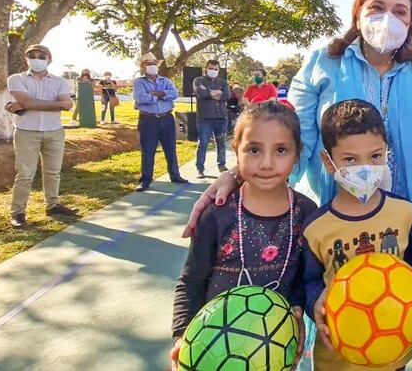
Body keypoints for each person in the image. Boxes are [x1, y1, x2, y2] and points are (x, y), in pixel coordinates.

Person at [182, 0, 412, 326]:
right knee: (333, 321)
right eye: (377, 7)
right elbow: (295, 141)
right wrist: (238, 175)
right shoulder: (323, 62)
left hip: (400, 230)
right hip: (332, 223)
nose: (388, 18)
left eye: (400, 11)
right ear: (358, 11)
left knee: (389, 325)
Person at [169, 100, 315, 370]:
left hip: (273, 350)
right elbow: (191, 281)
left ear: (297, 154)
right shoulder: (217, 214)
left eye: (281, 150)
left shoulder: (306, 212)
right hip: (213, 351)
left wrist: (296, 309)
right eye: (254, 150)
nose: (267, 163)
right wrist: (181, 335)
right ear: (236, 151)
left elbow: (305, 278)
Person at [304, 100, 412, 371]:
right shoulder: (315, 228)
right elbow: (308, 282)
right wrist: (315, 303)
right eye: (350, 160)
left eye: (375, 156)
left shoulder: (404, 212)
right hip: (336, 360)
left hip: (393, 355)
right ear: (328, 162)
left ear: (386, 153)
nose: (365, 168)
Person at [6, 44, 79, 228]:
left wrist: (26, 105)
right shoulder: (16, 79)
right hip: (26, 131)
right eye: (32, 55)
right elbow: (28, 100)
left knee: (53, 172)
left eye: (41, 56)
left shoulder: (60, 81)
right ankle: (18, 212)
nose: (37, 58)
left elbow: (68, 105)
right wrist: (52, 104)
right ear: (26, 58)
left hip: (54, 130)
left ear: (49, 59)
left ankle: (53, 205)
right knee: (25, 174)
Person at [132, 53, 187, 192]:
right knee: (148, 151)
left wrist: (154, 93)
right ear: (143, 66)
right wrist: (160, 95)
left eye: (154, 63)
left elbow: (174, 94)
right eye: (148, 63)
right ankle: (145, 180)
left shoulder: (166, 80)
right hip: (148, 119)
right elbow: (141, 97)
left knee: (170, 149)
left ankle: (175, 175)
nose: (152, 66)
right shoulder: (139, 82)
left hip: (166, 118)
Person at [193, 59, 231, 178]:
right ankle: (200, 168)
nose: (213, 71)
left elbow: (227, 96)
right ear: (206, 69)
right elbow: (201, 94)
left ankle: (222, 165)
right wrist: (216, 93)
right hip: (205, 118)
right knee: (203, 143)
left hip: (221, 117)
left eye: (215, 69)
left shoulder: (223, 82)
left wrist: (210, 92)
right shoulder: (198, 80)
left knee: (221, 143)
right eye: (211, 68)